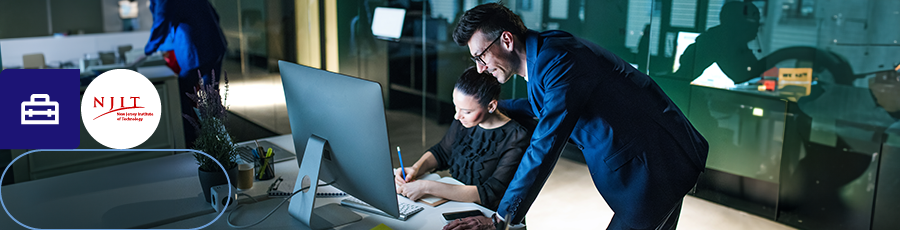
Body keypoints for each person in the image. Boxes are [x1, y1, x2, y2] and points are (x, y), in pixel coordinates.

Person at [446, 3, 708, 230]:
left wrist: (502, 218)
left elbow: (544, 146)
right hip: (656, 160)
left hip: (653, 168)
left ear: (506, 40)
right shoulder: (544, 52)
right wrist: (495, 107)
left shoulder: (559, 60)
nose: (480, 68)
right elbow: (546, 105)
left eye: (481, 56)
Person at [395, 67, 530, 211]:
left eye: (466, 111)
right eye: (456, 107)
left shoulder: (516, 137)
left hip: (485, 215)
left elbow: (490, 192)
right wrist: (415, 168)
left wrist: (427, 187)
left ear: (491, 106)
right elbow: (441, 152)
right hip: (455, 204)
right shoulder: (464, 120)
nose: (457, 116)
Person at [144, 0, 227, 148]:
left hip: (196, 49)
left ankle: (190, 139)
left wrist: (148, 50)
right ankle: (218, 139)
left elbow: (162, 20)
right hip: (216, 43)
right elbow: (215, 14)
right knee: (211, 93)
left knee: (181, 90)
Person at [674, 1, 763, 83]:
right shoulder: (718, 42)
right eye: (752, 22)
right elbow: (740, 77)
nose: (757, 28)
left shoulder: (719, 38)